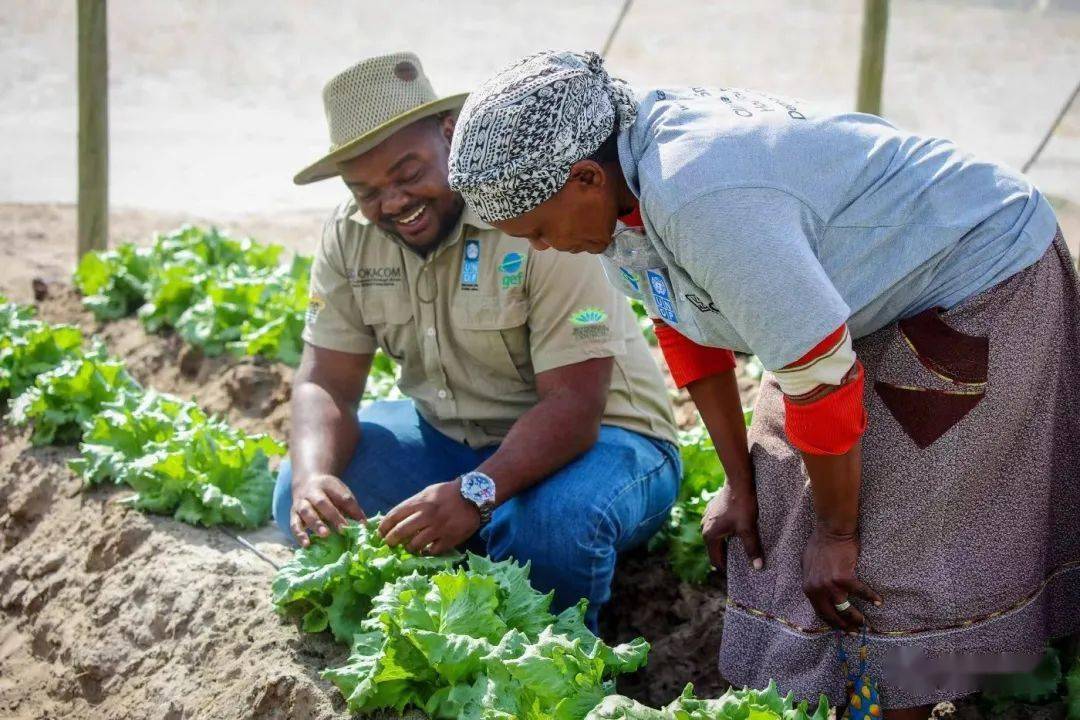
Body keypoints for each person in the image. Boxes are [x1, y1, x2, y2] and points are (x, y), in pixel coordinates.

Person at [446, 50, 1080, 716]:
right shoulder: (618, 193)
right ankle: (831, 695)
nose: (543, 249)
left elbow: (819, 377)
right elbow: (684, 322)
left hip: (977, 272)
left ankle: (905, 699)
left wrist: (836, 535)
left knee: (889, 547)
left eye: (540, 231)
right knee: (778, 509)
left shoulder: (700, 192)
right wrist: (737, 482)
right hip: (856, 292)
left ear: (583, 178)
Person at [275, 52, 682, 628]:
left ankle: (562, 652)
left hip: (606, 441)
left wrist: (474, 494)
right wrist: (316, 479)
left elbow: (575, 406)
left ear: (449, 135)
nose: (391, 203)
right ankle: (464, 579)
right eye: (366, 190)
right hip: (456, 443)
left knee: (548, 531)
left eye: (408, 173)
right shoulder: (349, 233)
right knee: (305, 494)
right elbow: (324, 380)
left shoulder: (530, 208)